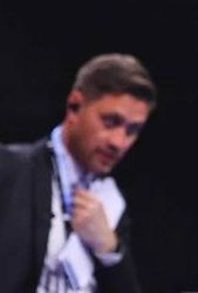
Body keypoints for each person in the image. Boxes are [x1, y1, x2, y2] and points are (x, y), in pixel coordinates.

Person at [0, 53, 155, 293]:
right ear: (74, 106)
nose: (119, 142)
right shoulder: (12, 168)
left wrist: (109, 249)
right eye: (110, 121)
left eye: (132, 130)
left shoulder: (112, 203)